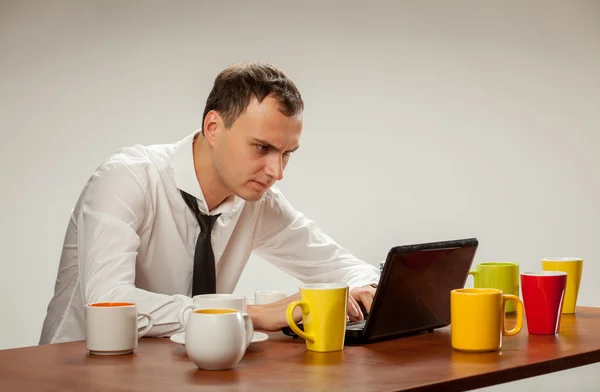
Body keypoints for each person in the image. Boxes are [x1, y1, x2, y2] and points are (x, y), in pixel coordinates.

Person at [39, 63, 380, 345]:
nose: (276, 172)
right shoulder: (127, 180)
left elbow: (340, 265)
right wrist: (248, 313)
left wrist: (368, 288)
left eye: (286, 154)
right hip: (78, 372)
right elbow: (108, 300)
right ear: (214, 127)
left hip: (175, 374)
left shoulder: (257, 201)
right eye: (262, 148)